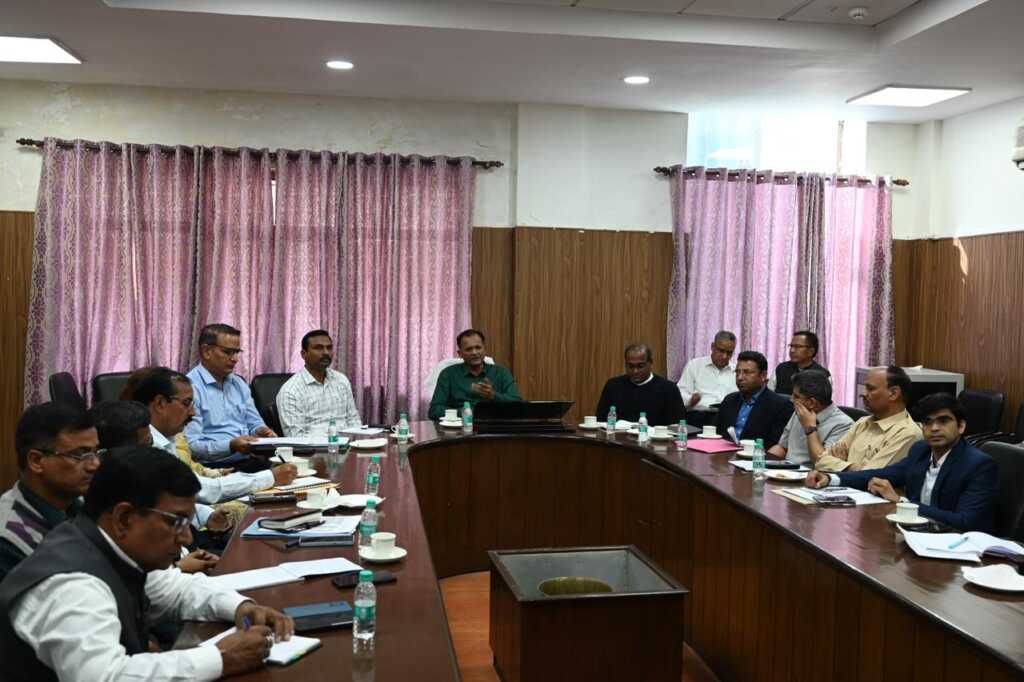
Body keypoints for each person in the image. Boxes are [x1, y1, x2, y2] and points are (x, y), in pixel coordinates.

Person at [0, 447, 294, 681]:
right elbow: (105, 677)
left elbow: (175, 589)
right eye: (176, 522)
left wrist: (241, 607)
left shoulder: (108, 547)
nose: (187, 537)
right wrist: (221, 658)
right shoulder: (73, 585)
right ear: (124, 518)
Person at [806, 393, 998, 532]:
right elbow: (882, 474)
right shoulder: (921, 450)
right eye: (928, 422)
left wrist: (902, 503)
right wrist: (830, 478)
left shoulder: (978, 465)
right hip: (917, 535)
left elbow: (964, 522)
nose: (934, 428)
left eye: (943, 421)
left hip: (957, 546)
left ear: (961, 426)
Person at [128, 367, 297, 498]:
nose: (192, 412)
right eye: (186, 403)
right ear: (160, 403)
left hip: (235, 468)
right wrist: (270, 477)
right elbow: (198, 490)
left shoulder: (169, 437)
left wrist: (206, 516)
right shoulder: (147, 445)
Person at [0, 404, 98, 582]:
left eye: (95, 452)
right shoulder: (9, 539)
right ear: (37, 461)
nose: (94, 465)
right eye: (80, 454)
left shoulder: (83, 506)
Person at [185, 323, 276, 471]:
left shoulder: (238, 383)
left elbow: (254, 423)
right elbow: (190, 446)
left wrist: (260, 431)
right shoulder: (189, 388)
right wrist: (230, 446)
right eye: (227, 352)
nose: (235, 359)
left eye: (237, 352)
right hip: (212, 468)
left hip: (248, 460)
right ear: (206, 351)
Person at [813, 365, 922, 472]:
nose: (863, 394)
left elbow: (871, 476)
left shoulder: (908, 433)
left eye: (870, 389)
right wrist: (851, 467)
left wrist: (842, 466)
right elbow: (821, 461)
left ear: (893, 393)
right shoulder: (862, 422)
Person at [277, 329, 362, 435]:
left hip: (349, 443)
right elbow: (295, 436)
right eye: (318, 348)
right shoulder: (291, 391)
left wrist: (358, 440)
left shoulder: (341, 380)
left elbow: (353, 419)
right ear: (303, 354)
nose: (326, 352)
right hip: (317, 445)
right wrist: (332, 440)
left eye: (329, 348)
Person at [428, 329, 522, 420]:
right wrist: (466, 412)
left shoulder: (501, 372)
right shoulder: (448, 374)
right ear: (460, 353)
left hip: (493, 423)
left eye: (478, 348)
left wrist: (493, 395)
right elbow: (434, 410)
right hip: (458, 425)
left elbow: (519, 405)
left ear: (484, 349)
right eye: (469, 349)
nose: (474, 352)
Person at [768, 370, 853, 466]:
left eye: (796, 396)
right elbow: (782, 447)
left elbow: (824, 463)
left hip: (812, 474)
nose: (791, 399)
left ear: (812, 403)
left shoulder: (844, 425)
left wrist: (810, 428)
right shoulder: (800, 411)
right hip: (787, 469)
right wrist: (762, 462)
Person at [715, 351, 793, 449]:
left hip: (757, 456)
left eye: (747, 372)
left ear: (763, 375)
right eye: (737, 372)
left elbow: (776, 445)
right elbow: (718, 435)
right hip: (724, 454)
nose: (740, 377)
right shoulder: (729, 400)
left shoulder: (780, 405)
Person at [596, 343, 686, 426]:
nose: (635, 371)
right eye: (631, 366)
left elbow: (677, 425)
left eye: (640, 366)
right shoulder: (613, 385)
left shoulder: (669, 389)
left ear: (650, 363)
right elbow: (600, 420)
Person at [676, 330, 737, 428]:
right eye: (721, 351)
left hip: (726, 418)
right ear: (712, 346)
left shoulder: (737, 371)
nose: (724, 356)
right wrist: (690, 400)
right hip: (699, 416)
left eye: (729, 353)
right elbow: (680, 393)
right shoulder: (695, 365)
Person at [769, 331, 829, 395]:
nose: (792, 350)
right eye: (791, 346)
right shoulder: (781, 369)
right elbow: (768, 395)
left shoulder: (823, 375)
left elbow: (824, 400)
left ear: (811, 351)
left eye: (797, 347)